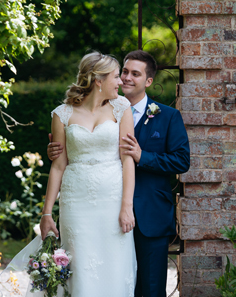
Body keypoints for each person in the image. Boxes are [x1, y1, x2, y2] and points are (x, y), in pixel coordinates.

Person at [48, 50, 190, 297]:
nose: (126, 78)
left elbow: (181, 160)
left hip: (148, 214)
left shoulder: (167, 116)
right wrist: (57, 150)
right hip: (100, 210)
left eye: (135, 74)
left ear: (148, 81)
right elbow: (69, 156)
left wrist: (142, 156)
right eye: (123, 72)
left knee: (150, 288)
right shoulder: (87, 111)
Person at [39, 51, 137, 296]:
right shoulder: (62, 114)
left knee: (114, 265)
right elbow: (58, 166)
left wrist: (127, 206)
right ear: (98, 80)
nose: (121, 82)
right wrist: (47, 213)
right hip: (76, 202)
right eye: (116, 76)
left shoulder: (122, 107)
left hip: (112, 200)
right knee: (80, 266)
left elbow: (128, 160)